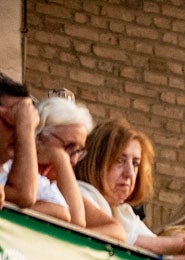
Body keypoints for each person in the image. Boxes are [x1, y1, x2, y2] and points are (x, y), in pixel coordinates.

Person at [74, 117, 185, 260]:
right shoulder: (80, 193)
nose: (129, 173)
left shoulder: (123, 212)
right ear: (95, 162)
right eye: (120, 160)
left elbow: (158, 250)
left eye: (135, 164)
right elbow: (123, 240)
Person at [34, 91, 123, 236]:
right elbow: (77, 222)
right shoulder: (11, 167)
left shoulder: (58, 183)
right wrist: (60, 158)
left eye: (78, 151)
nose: (74, 161)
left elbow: (116, 230)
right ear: (40, 137)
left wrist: (70, 239)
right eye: (69, 147)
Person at [0, 75, 53, 213]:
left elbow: (66, 212)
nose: (19, 135)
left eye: (29, 123)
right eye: (12, 121)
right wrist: (24, 127)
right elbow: (24, 195)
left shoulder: (12, 168)